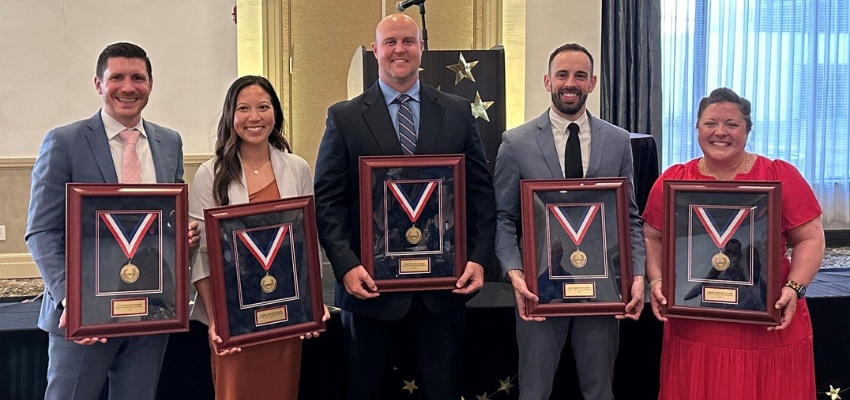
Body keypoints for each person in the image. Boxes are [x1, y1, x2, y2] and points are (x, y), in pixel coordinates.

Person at [313, 13, 495, 400]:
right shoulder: (344, 117)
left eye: (408, 41)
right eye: (391, 42)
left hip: (443, 289)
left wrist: (478, 258)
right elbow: (328, 202)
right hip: (369, 291)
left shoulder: (457, 111)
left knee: (442, 391)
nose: (400, 50)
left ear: (421, 49)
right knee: (366, 391)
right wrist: (346, 267)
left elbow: (480, 193)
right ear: (375, 50)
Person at [25, 42, 200, 400]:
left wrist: (183, 236)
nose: (128, 87)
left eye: (138, 77)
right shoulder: (64, 142)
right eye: (116, 77)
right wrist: (71, 302)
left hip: (152, 311)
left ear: (150, 84)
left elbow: (167, 221)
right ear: (98, 84)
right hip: (83, 316)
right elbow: (42, 231)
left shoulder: (169, 142)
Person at [643, 87, 825, 399]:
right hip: (696, 326)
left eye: (731, 124)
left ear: (747, 130)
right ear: (697, 128)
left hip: (769, 326)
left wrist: (794, 288)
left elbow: (810, 237)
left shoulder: (779, 175)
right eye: (710, 123)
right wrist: (657, 279)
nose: (720, 132)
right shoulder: (674, 181)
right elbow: (652, 236)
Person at [494, 43, 646, 400]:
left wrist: (636, 275)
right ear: (548, 81)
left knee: (599, 390)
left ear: (592, 83)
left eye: (580, 75)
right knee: (534, 390)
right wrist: (515, 273)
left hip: (603, 291)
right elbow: (504, 218)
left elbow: (630, 217)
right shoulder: (515, 143)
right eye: (562, 74)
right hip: (539, 288)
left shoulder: (618, 141)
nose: (570, 82)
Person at [188, 75, 330, 400]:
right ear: (231, 116)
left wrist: (312, 303)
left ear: (275, 114)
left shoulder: (297, 168)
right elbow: (203, 255)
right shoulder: (210, 174)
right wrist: (216, 322)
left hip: (285, 315)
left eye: (263, 107)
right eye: (244, 109)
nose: (254, 117)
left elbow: (307, 244)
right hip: (232, 321)